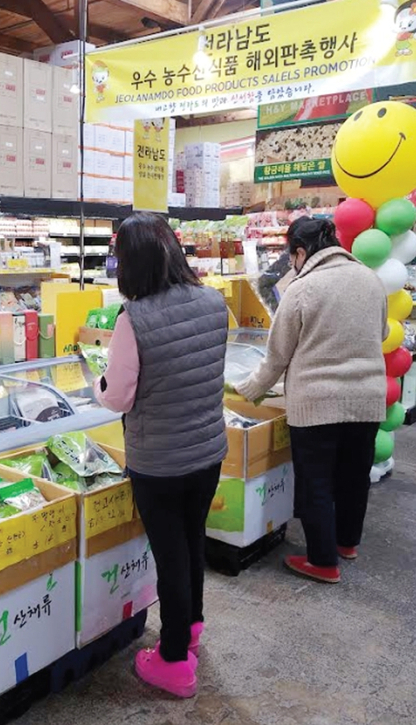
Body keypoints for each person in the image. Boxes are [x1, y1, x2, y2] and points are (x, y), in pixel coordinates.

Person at [94, 212, 228, 698]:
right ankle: (191, 626)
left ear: (132, 263)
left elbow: (118, 396)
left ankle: (172, 660)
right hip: (209, 449)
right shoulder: (214, 301)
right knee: (193, 542)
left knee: (169, 555)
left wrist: (98, 383)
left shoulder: (134, 319)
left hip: (160, 461)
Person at [234, 217, 387, 584]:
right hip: (366, 399)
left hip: (316, 403)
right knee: (354, 476)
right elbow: (381, 332)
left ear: (300, 252)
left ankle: (322, 561)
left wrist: (249, 391)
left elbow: (277, 357)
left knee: (317, 481)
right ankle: (347, 543)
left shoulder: (304, 289)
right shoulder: (370, 278)